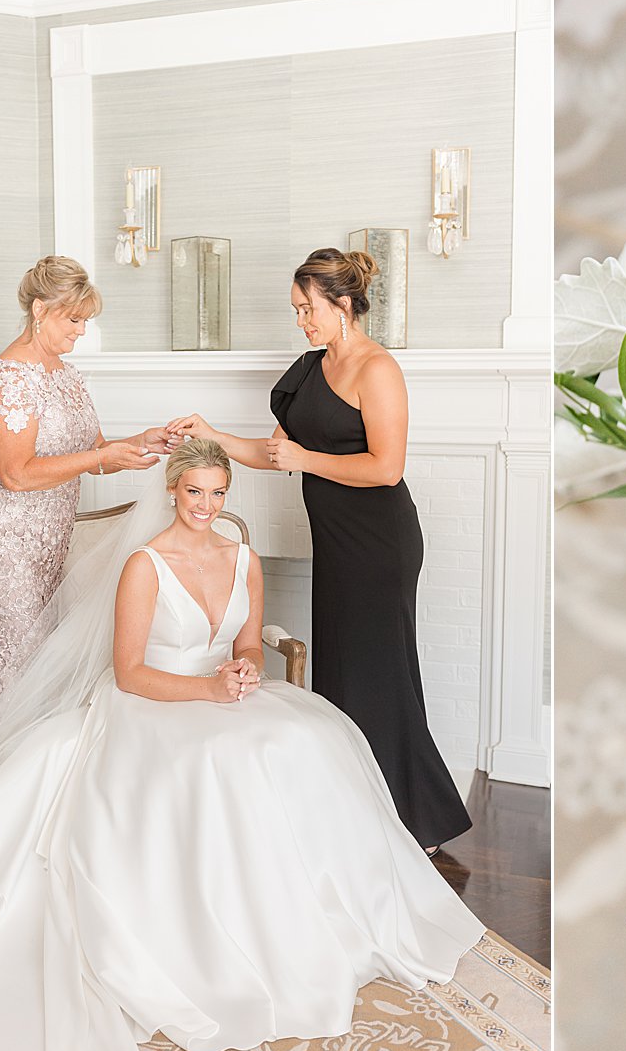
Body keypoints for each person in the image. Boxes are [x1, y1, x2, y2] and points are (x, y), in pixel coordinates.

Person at [0, 439, 483, 1051]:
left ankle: (312, 918)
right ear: (172, 490)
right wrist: (209, 690)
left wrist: (242, 669)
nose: (206, 505)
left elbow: (246, 642)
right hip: (154, 701)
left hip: (224, 697)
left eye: (217, 493)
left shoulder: (243, 557)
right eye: (194, 492)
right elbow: (128, 674)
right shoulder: (144, 566)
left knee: (306, 741)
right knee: (217, 758)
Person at [170, 248, 472, 853]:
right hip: (335, 543)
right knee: (343, 672)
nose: (302, 321)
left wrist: (309, 461)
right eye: (296, 310)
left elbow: (386, 468)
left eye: (309, 308)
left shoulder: (377, 369)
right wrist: (214, 435)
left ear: (343, 303)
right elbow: (273, 453)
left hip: (380, 543)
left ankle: (416, 821)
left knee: (381, 674)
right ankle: (353, 800)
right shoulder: (309, 369)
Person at [0, 256, 171, 748]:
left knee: (39, 655)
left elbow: (95, 455)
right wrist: (100, 456)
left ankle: (28, 778)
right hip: (1, 533)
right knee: (14, 658)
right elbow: (16, 474)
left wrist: (143, 442)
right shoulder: (10, 377)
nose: (81, 331)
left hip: (48, 535)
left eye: (85, 321)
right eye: (74, 319)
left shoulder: (67, 376)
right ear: (40, 310)